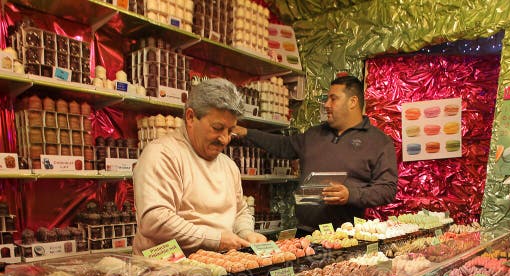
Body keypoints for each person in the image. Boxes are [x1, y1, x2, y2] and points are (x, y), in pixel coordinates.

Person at [232, 75, 398, 232]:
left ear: (353, 102)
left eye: (333, 98)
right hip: (305, 232)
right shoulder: (314, 134)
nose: (326, 104)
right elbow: (283, 145)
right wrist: (246, 132)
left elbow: (387, 189)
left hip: (345, 237)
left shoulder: (378, 141)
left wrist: (351, 194)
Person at [132, 78, 267, 254]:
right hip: (165, 272)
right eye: (217, 128)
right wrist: (216, 239)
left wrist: (246, 232)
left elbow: (240, 211)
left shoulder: (228, 165)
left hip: (217, 269)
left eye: (230, 130)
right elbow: (155, 220)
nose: (225, 139)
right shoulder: (162, 154)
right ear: (190, 117)